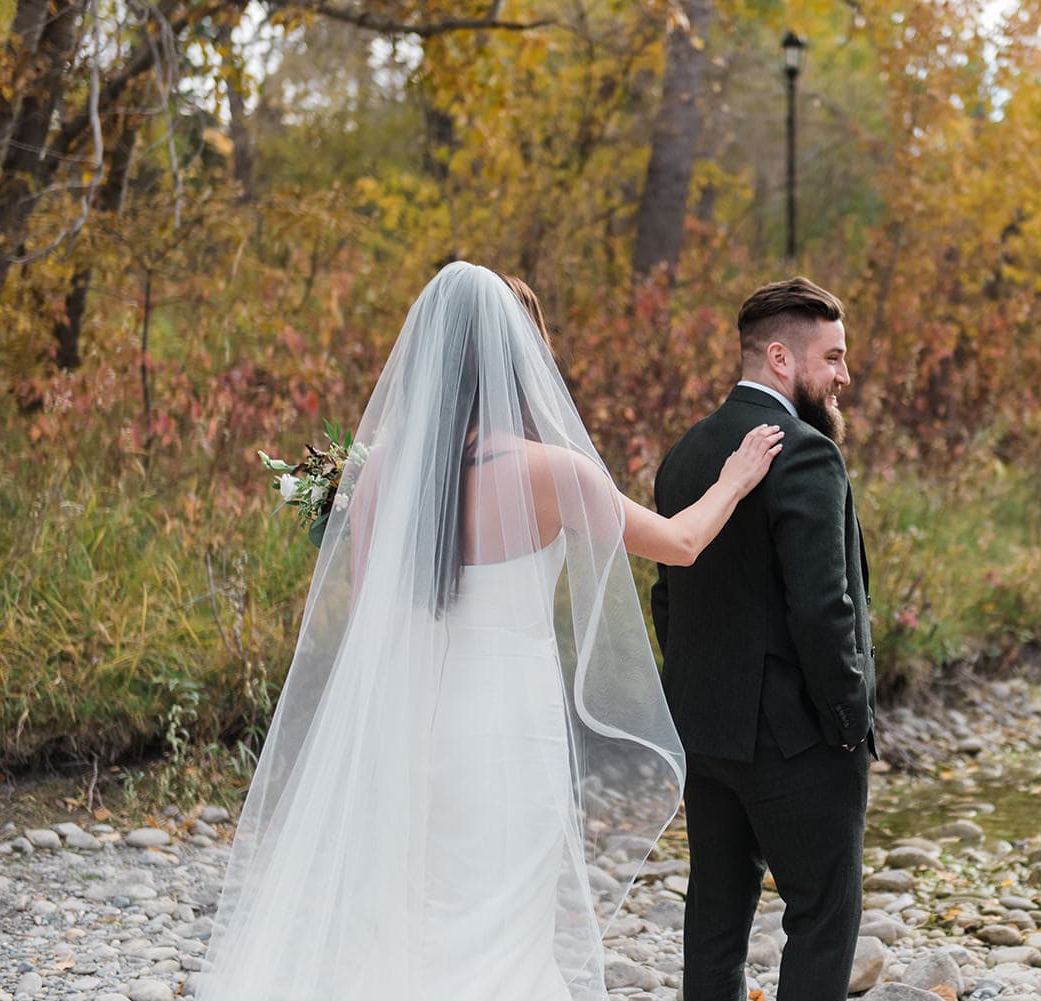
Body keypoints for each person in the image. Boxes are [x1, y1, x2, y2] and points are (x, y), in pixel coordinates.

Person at [197, 262, 783, 1001]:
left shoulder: (379, 477)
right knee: (503, 913)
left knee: (424, 904)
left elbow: (376, 605)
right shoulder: (552, 472)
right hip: (507, 725)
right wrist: (732, 479)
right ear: (517, 362)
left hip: (418, 722)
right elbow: (680, 542)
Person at [650, 276, 875, 1000]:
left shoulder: (684, 454)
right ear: (781, 357)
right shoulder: (806, 453)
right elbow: (824, 609)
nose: (844, 375)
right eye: (832, 357)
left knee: (715, 914)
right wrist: (849, 722)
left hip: (706, 735)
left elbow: (668, 598)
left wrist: (691, 702)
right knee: (821, 917)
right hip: (797, 739)